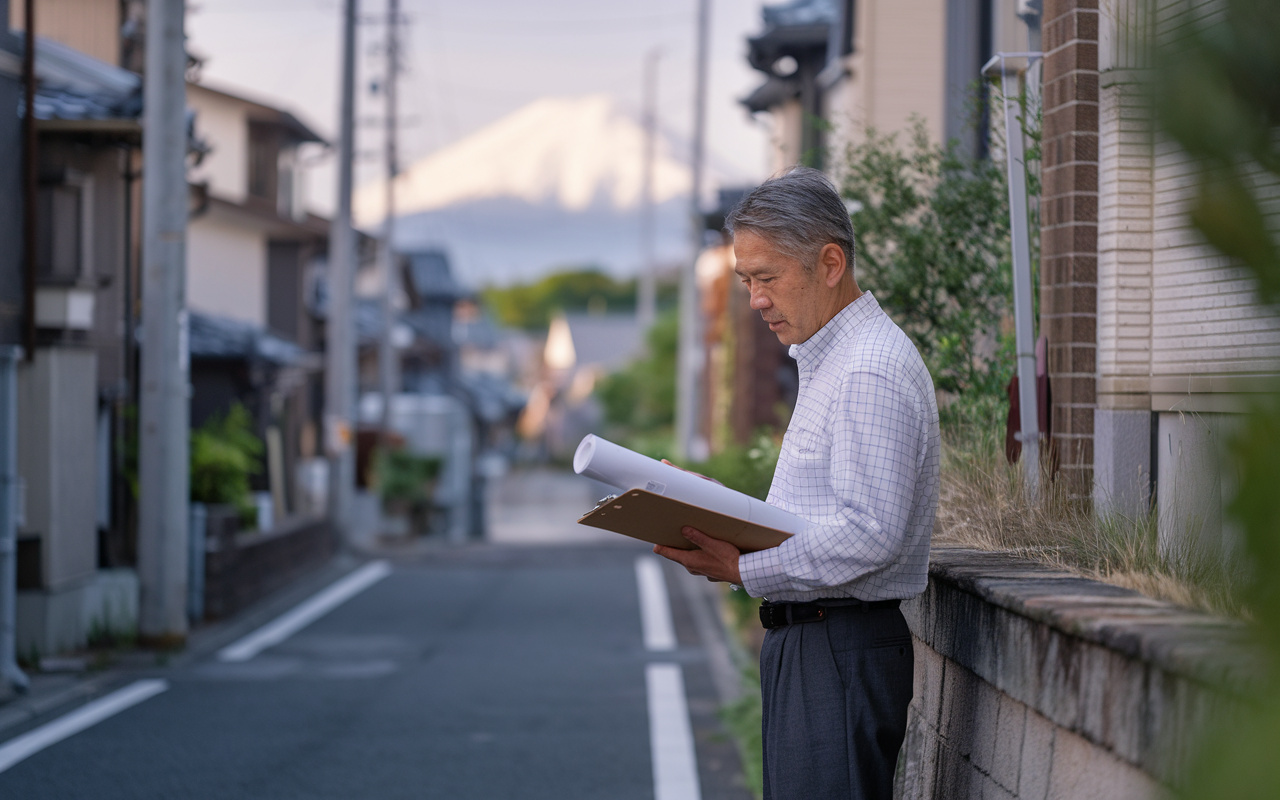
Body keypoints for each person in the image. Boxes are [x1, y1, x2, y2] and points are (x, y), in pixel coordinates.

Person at [653, 167, 940, 799]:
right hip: (823, 643)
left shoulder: (866, 369)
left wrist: (744, 568)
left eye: (767, 278)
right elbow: (825, 516)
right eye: (746, 280)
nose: (755, 299)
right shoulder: (834, 358)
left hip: (836, 645)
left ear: (830, 263)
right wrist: (716, 506)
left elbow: (870, 534)